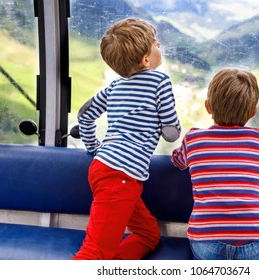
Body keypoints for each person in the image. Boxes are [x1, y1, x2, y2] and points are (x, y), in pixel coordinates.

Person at [73, 18, 181, 260]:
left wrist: (94, 147)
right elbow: (171, 132)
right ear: (146, 59)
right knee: (95, 251)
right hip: (120, 178)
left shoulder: (114, 87)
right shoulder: (159, 82)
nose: (159, 45)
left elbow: (85, 115)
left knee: (148, 235)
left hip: (105, 169)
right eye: (156, 43)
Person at [171, 68, 259, 260]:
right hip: (253, 243)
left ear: (208, 107)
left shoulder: (194, 139)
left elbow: (178, 162)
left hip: (206, 242)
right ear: (253, 112)